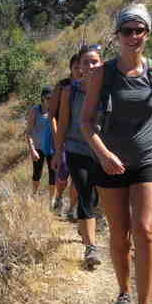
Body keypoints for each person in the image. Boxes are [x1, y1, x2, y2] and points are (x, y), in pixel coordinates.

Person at [81, 3, 152, 304]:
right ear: (118, 34)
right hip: (110, 163)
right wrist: (104, 154)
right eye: (127, 30)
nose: (133, 36)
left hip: (149, 159)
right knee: (120, 235)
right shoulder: (102, 74)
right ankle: (124, 293)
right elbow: (86, 122)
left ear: (148, 33)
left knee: (145, 230)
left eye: (140, 30)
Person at [52, 45, 104, 269]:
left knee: (95, 196)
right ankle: (91, 247)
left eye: (95, 62)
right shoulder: (69, 91)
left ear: (102, 63)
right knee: (84, 192)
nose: (90, 66)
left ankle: (85, 228)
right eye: (86, 62)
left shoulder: (108, 88)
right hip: (76, 148)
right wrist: (58, 152)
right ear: (79, 66)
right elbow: (63, 122)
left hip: (102, 151)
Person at [49, 54, 82, 218]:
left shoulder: (91, 84)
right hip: (63, 138)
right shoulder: (63, 86)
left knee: (77, 177)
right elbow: (52, 115)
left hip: (82, 139)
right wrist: (58, 137)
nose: (80, 70)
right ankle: (59, 196)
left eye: (81, 67)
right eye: (76, 67)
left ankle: (72, 209)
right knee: (63, 173)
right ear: (70, 68)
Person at [26, 85, 56, 201]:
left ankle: (52, 201)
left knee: (53, 174)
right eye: (48, 98)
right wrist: (32, 150)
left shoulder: (55, 111)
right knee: (37, 173)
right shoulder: (35, 111)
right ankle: (34, 195)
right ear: (42, 98)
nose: (50, 101)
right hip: (38, 148)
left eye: (53, 98)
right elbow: (29, 132)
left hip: (52, 148)